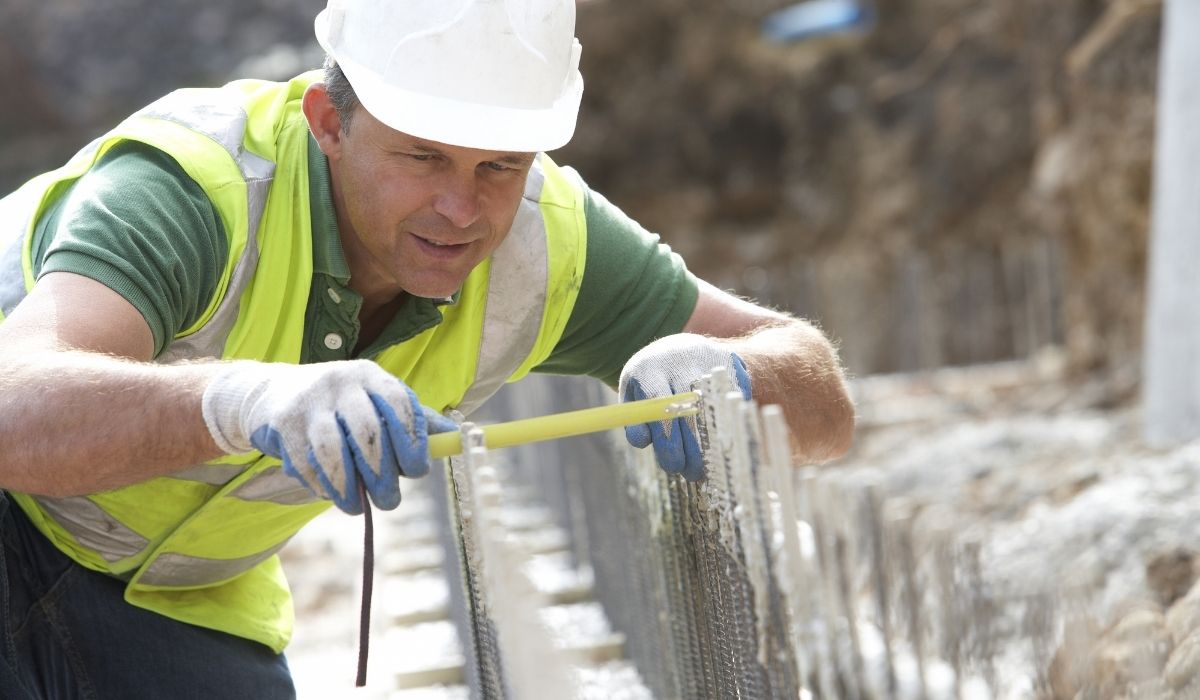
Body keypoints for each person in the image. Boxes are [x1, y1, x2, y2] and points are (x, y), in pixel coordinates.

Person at [0, 0, 854, 696]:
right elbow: (12, 416)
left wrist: (738, 374)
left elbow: (822, 402)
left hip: (176, 591)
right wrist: (240, 400)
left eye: (500, 166)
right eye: (422, 156)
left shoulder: (549, 244)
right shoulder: (197, 191)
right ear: (328, 119)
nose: (463, 209)